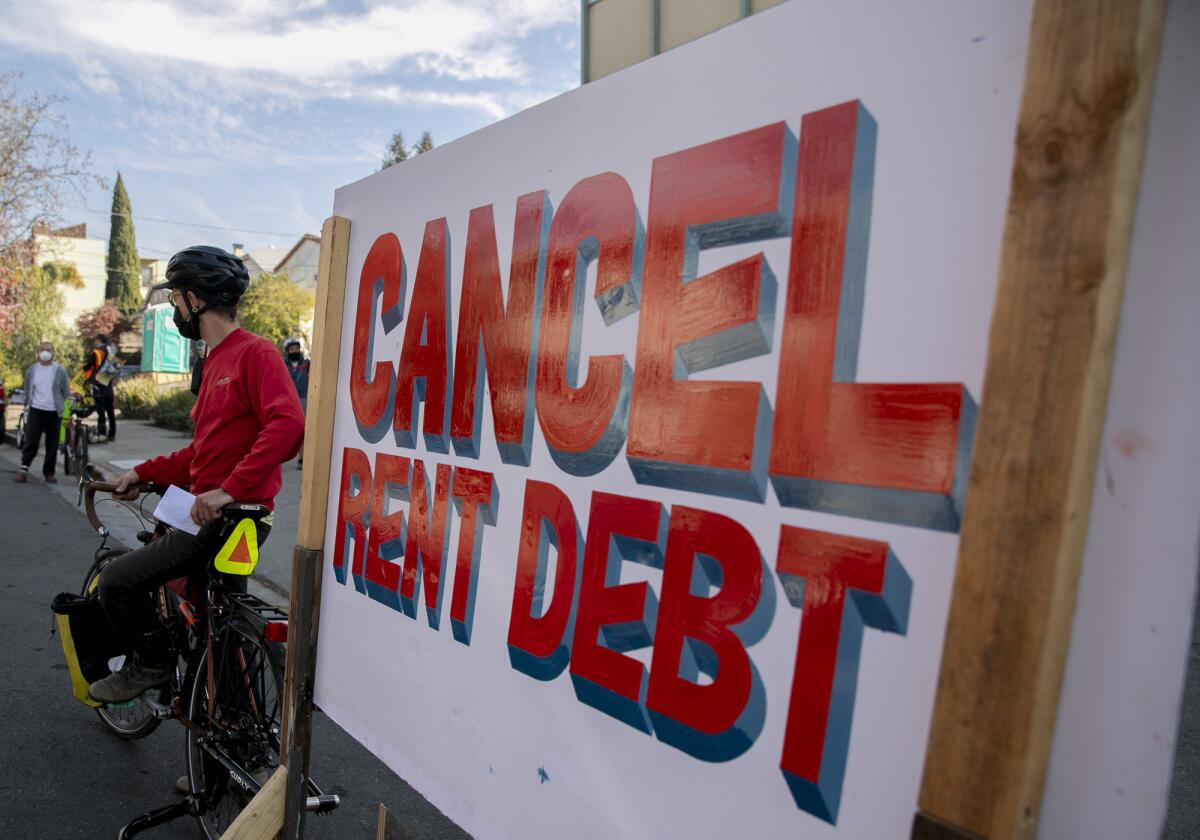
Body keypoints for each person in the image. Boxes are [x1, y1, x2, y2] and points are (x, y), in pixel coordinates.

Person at [87, 245, 305, 704]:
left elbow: (288, 426)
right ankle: (222, 764)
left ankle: (152, 661)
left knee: (118, 581)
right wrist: (143, 474)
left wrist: (227, 491)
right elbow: (201, 452)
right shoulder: (213, 362)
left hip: (228, 516)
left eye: (175, 300)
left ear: (194, 299)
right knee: (218, 630)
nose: (173, 309)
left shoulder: (256, 353)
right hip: (214, 510)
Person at [15, 341, 69, 484]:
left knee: (52, 444)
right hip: (36, 410)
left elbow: (65, 391)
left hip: (54, 412)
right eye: (43, 349)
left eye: (49, 350)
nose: (46, 352)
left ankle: (49, 473)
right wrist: (27, 404)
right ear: (38, 352)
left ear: (53, 352)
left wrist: (59, 405)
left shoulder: (59, 370)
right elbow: (28, 388)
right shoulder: (32, 370)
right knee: (31, 441)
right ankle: (23, 469)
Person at [83, 333, 118, 441]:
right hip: (108, 383)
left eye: (96, 340)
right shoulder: (111, 352)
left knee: (101, 410)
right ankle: (112, 434)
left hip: (98, 384)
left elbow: (88, 366)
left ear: (98, 340)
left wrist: (84, 368)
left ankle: (102, 433)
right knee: (110, 410)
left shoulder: (97, 353)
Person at [284, 337, 309, 468]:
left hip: (304, 398)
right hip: (287, 399)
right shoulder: (283, 364)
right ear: (287, 351)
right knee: (283, 429)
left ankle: (302, 458)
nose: (295, 351)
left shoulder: (306, 363)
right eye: (292, 349)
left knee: (303, 430)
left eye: (296, 348)